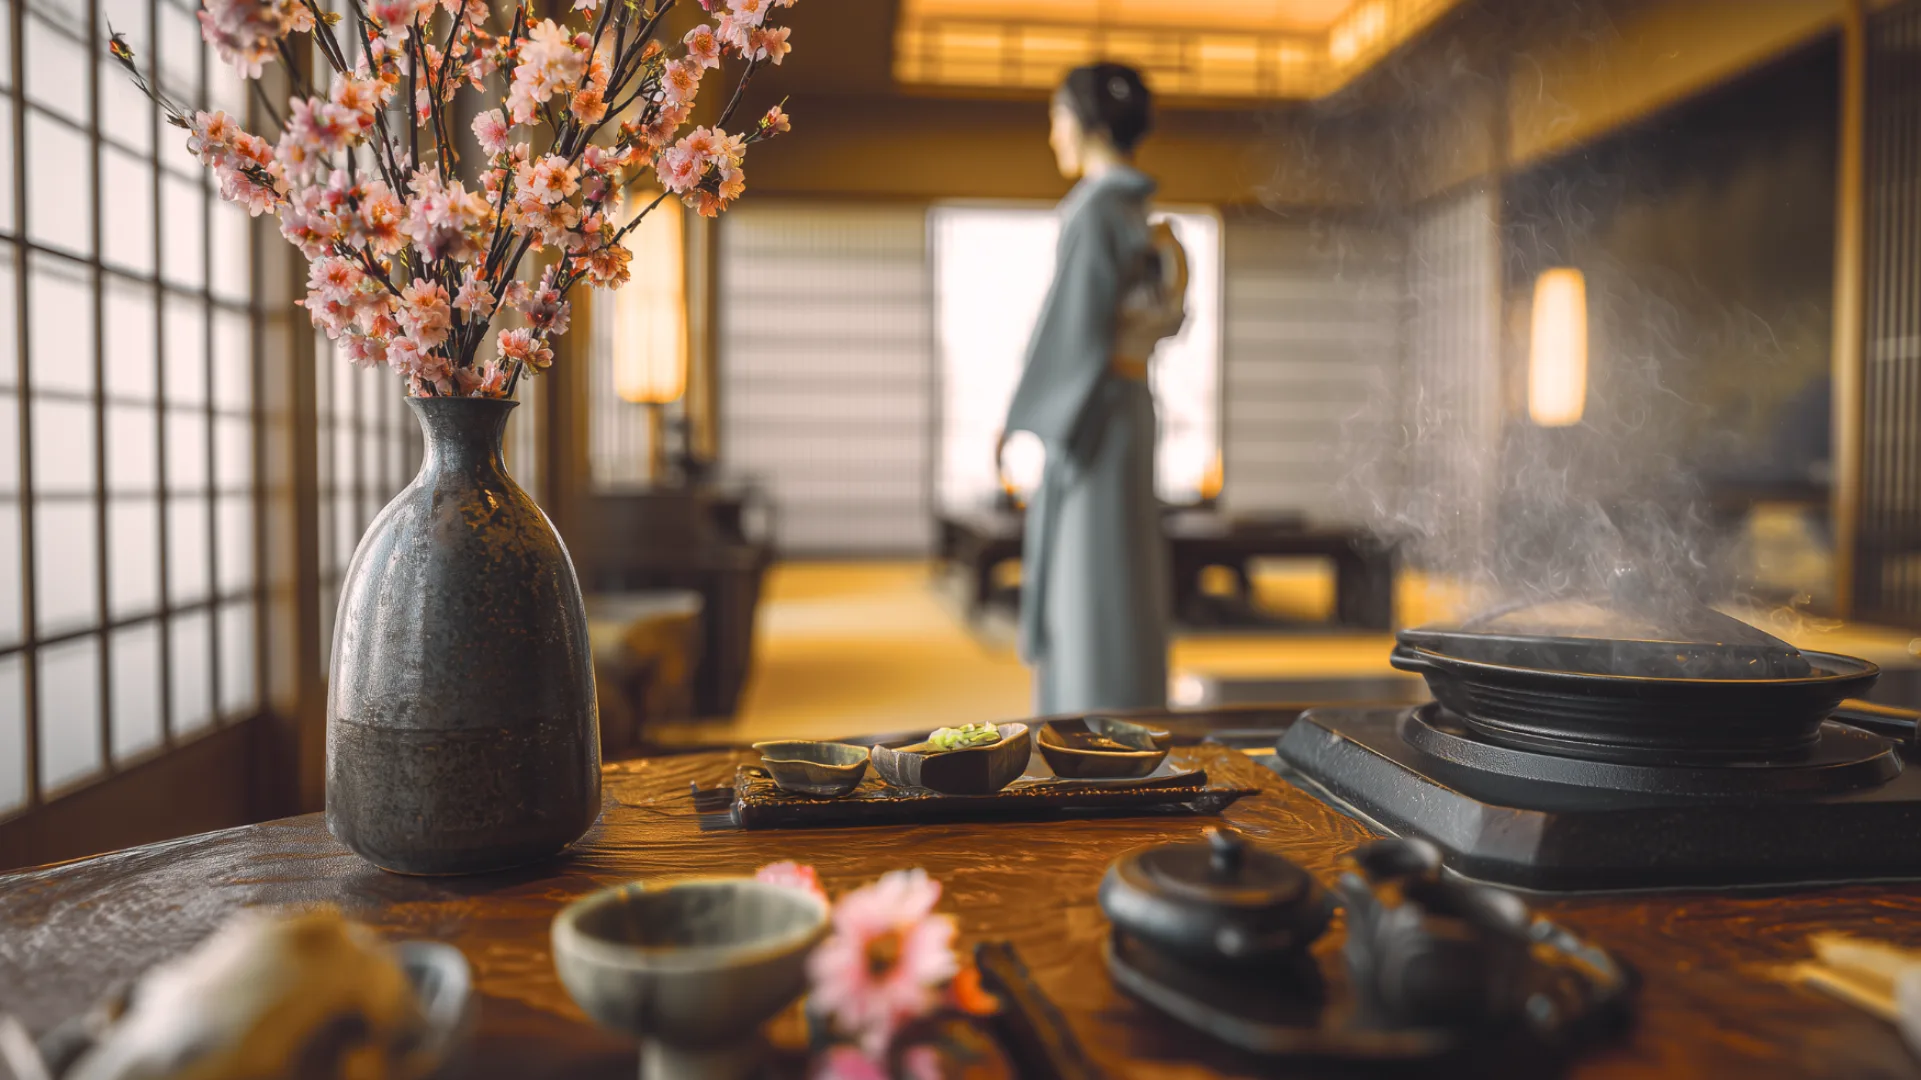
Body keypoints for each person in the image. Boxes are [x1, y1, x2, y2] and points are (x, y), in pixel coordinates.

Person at [1001, 62, 1187, 715]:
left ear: (1089, 123)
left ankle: (1090, 718)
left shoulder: (1095, 207)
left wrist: (1024, 420)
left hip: (1093, 410)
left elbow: (1072, 329)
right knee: (1122, 569)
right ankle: (1128, 704)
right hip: (1124, 402)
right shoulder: (1131, 205)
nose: (1052, 133)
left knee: (1091, 576)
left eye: (1057, 116)